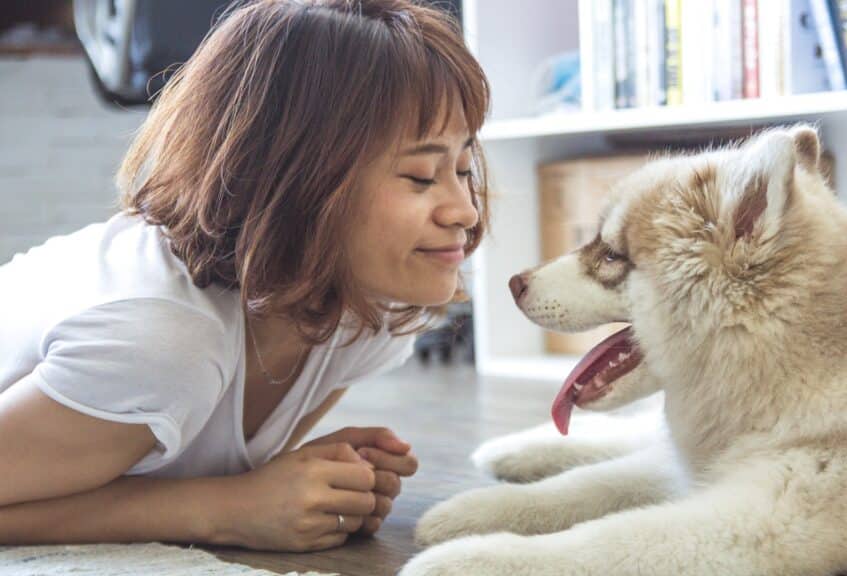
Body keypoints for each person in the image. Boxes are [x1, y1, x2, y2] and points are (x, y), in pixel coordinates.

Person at [0, 0, 489, 553]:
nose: (465, 211)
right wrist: (222, 510)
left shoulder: (366, 312)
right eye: (420, 176)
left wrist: (309, 482)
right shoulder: (162, 341)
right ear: (292, 179)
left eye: (464, 168)